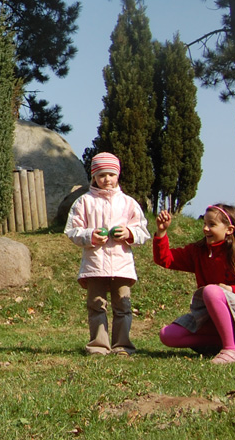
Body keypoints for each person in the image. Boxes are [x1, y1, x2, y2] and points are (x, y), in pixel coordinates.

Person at [154, 203, 235, 364]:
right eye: (205, 224)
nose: (206, 229)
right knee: (168, 335)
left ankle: (231, 350)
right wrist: (161, 231)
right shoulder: (198, 251)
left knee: (211, 291)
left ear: (229, 229)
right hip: (212, 318)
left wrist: (231, 289)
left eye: (212, 225)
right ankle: (225, 344)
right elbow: (165, 259)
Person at [64, 152, 150, 355]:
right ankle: (98, 345)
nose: (107, 179)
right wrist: (90, 236)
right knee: (96, 305)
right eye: (102, 175)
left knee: (122, 306)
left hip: (122, 265)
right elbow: (72, 231)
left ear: (118, 175)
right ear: (94, 176)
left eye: (111, 174)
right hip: (94, 264)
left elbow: (143, 231)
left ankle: (122, 345)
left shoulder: (128, 203)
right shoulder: (84, 202)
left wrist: (129, 233)